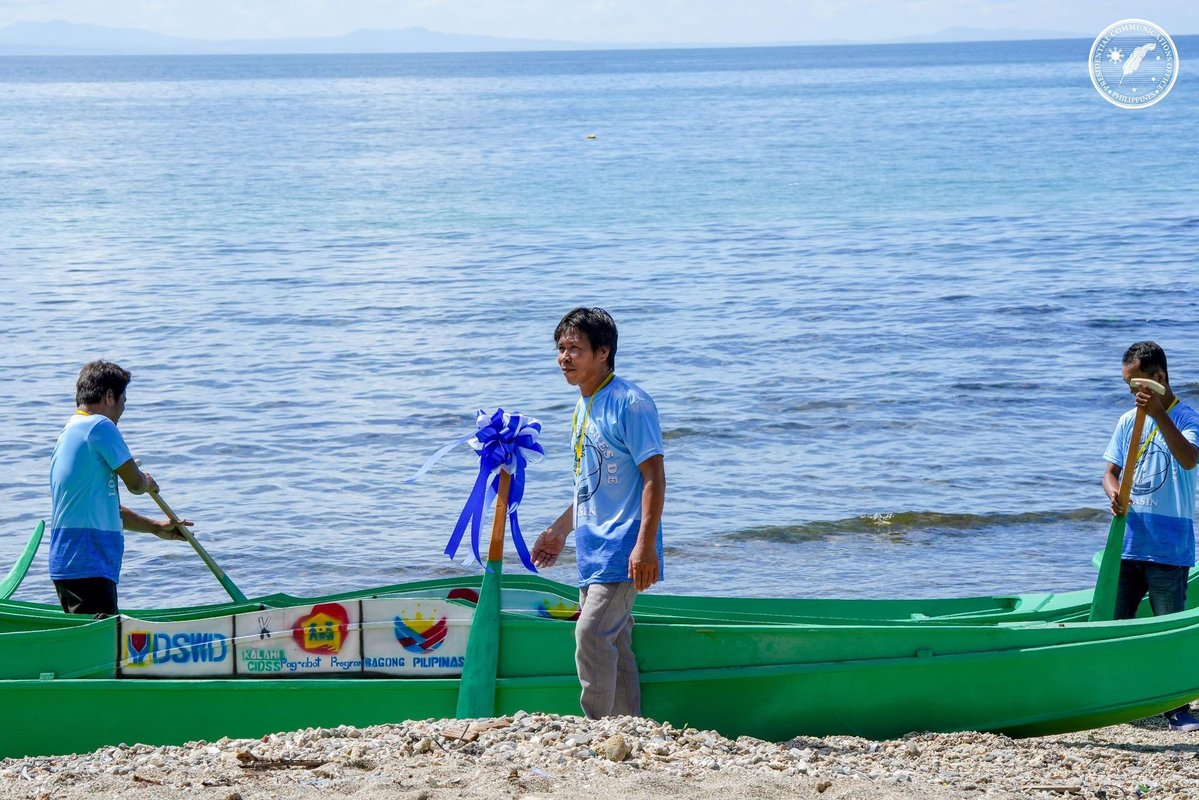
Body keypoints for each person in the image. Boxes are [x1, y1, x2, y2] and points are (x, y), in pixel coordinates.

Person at [532, 307, 666, 719]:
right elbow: (590, 486)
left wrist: (645, 545)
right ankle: (629, 728)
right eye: (561, 348)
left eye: (575, 348)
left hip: (625, 548)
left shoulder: (631, 403)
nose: (565, 357)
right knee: (616, 641)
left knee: (590, 634)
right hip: (593, 549)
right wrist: (559, 531)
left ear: (603, 352)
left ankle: (595, 728)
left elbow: (655, 477)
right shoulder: (582, 408)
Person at [1102, 341, 1199, 732]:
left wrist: (1159, 414)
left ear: (1160, 378)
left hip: (1169, 545)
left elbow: (1190, 457)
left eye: (1138, 383)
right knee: (1116, 623)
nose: (1134, 393)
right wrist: (1112, 492)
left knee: (1166, 627)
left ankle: (1176, 706)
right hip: (1130, 540)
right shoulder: (1128, 421)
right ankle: (1118, 697)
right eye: (1128, 386)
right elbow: (1110, 472)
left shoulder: (1188, 417)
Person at [49, 360, 189, 617]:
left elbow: (104, 509)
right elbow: (135, 484)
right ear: (110, 396)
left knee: (88, 645)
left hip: (68, 563)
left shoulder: (68, 433)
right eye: (124, 401)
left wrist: (155, 528)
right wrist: (145, 482)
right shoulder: (100, 427)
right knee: (98, 647)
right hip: (89, 562)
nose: (123, 409)